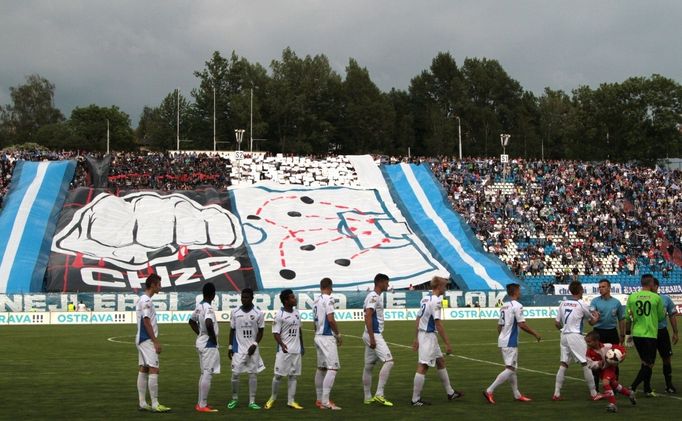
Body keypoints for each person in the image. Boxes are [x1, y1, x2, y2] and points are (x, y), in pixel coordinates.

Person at [483, 283, 541, 404]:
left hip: (503, 340)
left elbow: (499, 326)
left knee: (512, 368)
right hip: (510, 341)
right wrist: (535, 333)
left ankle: (517, 394)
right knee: (510, 369)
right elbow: (521, 324)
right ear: (515, 291)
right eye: (519, 290)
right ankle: (489, 390)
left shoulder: (504, 306)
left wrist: (502, 336)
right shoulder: (517, 306)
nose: (520, 293)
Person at [411, 276, 463, 406]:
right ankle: (415, 399)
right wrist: (447, 343)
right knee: (423, 366)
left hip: (425, 335)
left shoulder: (425, 298)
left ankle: (450, 392)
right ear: (439, 286)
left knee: (440, 361)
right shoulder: (436, 301)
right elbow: (438, 324)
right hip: (428, 336)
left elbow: (418, 318)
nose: (445, 288)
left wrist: (416, 338)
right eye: (445, 286)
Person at [552, 280, 601, 401]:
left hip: (564, 336)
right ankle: (594, 393)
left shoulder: (563, 303)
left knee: (563, 364)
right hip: (575, 336)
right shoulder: (581, 304)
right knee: (586, 363)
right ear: (580, 290)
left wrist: (563, 329)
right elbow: (591, 321)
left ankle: (556, 393)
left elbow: (556, 323)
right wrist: (597, 317)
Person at [625, 274, 666, 396]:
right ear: (651, 283)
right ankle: (632, 387)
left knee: (644, 362)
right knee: (649, 363)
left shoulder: (632, 297)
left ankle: (647, 389)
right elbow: (661, 317)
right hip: (649, 334)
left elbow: (628, 317)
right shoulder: (656, 298)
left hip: (637, 333)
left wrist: (627, 334)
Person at [135, 274, 170, 412]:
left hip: (141, 339)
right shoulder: (146, 301)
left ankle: (143, 403)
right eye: (159, 284)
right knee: (154, 369)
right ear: (153, 285)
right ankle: (155, 404)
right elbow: (146, 321)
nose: (160, 287)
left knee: (144, 368)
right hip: (147, 339)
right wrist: (155, 341)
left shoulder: (143, 299)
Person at [265, 289, 304, 410]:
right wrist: (282, 345)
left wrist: (302, 346)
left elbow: (299, 330)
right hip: (284, 351)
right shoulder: (279, 315)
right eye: (292, 298)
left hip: (296, 350)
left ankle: (291, 401)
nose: (295, 299)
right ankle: (272, 398)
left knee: (293, 376)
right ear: (286, 300)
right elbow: (275, 333)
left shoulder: (296, 312)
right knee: (278, 376)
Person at [228, 288, 265, 410]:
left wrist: (254, 344)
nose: (244, 299)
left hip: (252, 350)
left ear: (252, 298)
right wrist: (230, 346)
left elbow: (261, 331)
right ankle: (234, 399)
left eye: (246, 297)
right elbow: (232, 330)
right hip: (238, 349)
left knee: (252, 374)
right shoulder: (235, 312)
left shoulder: (258, 313)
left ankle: (252, 401)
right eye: (242, 297)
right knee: (235, 375)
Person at [362, 273, 394, 407]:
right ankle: (379, 394)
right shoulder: (374, 296)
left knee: (369, 366)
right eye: (387, 282)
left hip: (370, 334)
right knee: (389, 361)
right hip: (373, 334)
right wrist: (372, 337)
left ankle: (367, 397)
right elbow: (368, 315)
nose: (388, 285)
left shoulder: (374, 296)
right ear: (380, 282)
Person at [585, 331, 636, 413]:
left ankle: (613, 404)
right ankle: (629, 393)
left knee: (605, 383)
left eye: (589, 341)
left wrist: (623, 354)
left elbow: (619, 348)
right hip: (601, 371)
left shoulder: (607, 346)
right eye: (586, 341)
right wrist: (597, 364)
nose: (587, 343)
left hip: (610, 368)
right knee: (614, 385)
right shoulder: (589, 352)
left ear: (596, 341)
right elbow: (590, 364)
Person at [189, 282, 220, 413]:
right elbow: (208, 322)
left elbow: (191, 321)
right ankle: (202, 405)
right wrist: (212, 337)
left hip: (201, 341)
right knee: (208, 373)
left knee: (203, 373)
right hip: (208, 344)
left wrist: (200, 333)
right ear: (213, 295)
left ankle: (200, 403)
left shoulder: (199, 306)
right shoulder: (208, 308)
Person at [589, 279, 626, 388]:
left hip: (612, 333)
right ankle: (595, 387)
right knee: (596, 360)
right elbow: (591, 320)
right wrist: (594, 318)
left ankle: (615, 385)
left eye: (603, 286)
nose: (601, 289)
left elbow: (621, 319)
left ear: (609, 288)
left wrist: (622, 334)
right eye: (599, 287)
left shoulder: (616, 303)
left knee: (615, 359)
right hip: (598, 333)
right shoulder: (595, 302)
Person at [313, 278, 342, 410]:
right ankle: (325, 401)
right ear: (330, 287)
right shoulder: (328, 299)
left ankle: (319, 400)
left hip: (318, 336)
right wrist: (338, 334)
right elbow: (330, 319)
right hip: (326, 337)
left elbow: (315, 321)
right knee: (333, 368)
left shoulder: (316, 300)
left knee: (321, 368)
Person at [652, 277, 679, 393]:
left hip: (662, 332)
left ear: (656, 286)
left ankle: (669, 385)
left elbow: (672, 315)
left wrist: (675, 332)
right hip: (649, 333)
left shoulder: (665, 299)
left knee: (667, 359)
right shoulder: (643, 299)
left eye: (651, 285)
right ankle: (647, 386)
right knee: (648, 361)